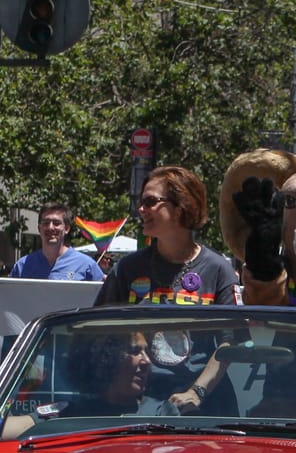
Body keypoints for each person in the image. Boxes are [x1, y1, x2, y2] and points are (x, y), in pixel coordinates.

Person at [99, 166, 240, 410]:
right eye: (142, 202)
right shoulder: (127, 269)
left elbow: (232, 341)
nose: (141, 210)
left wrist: (197, 392)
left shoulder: (218, 269)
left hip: (208, 404)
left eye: (150, 201)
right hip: (143, 403)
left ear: (180, 206)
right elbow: (99, 334)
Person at [13, 202, 104, 281]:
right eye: (46, 223)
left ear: (67, 229)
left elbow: (105, 297)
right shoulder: (22, 266)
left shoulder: (86, 265)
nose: (51, 227)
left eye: (56, 223)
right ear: (39, 228)